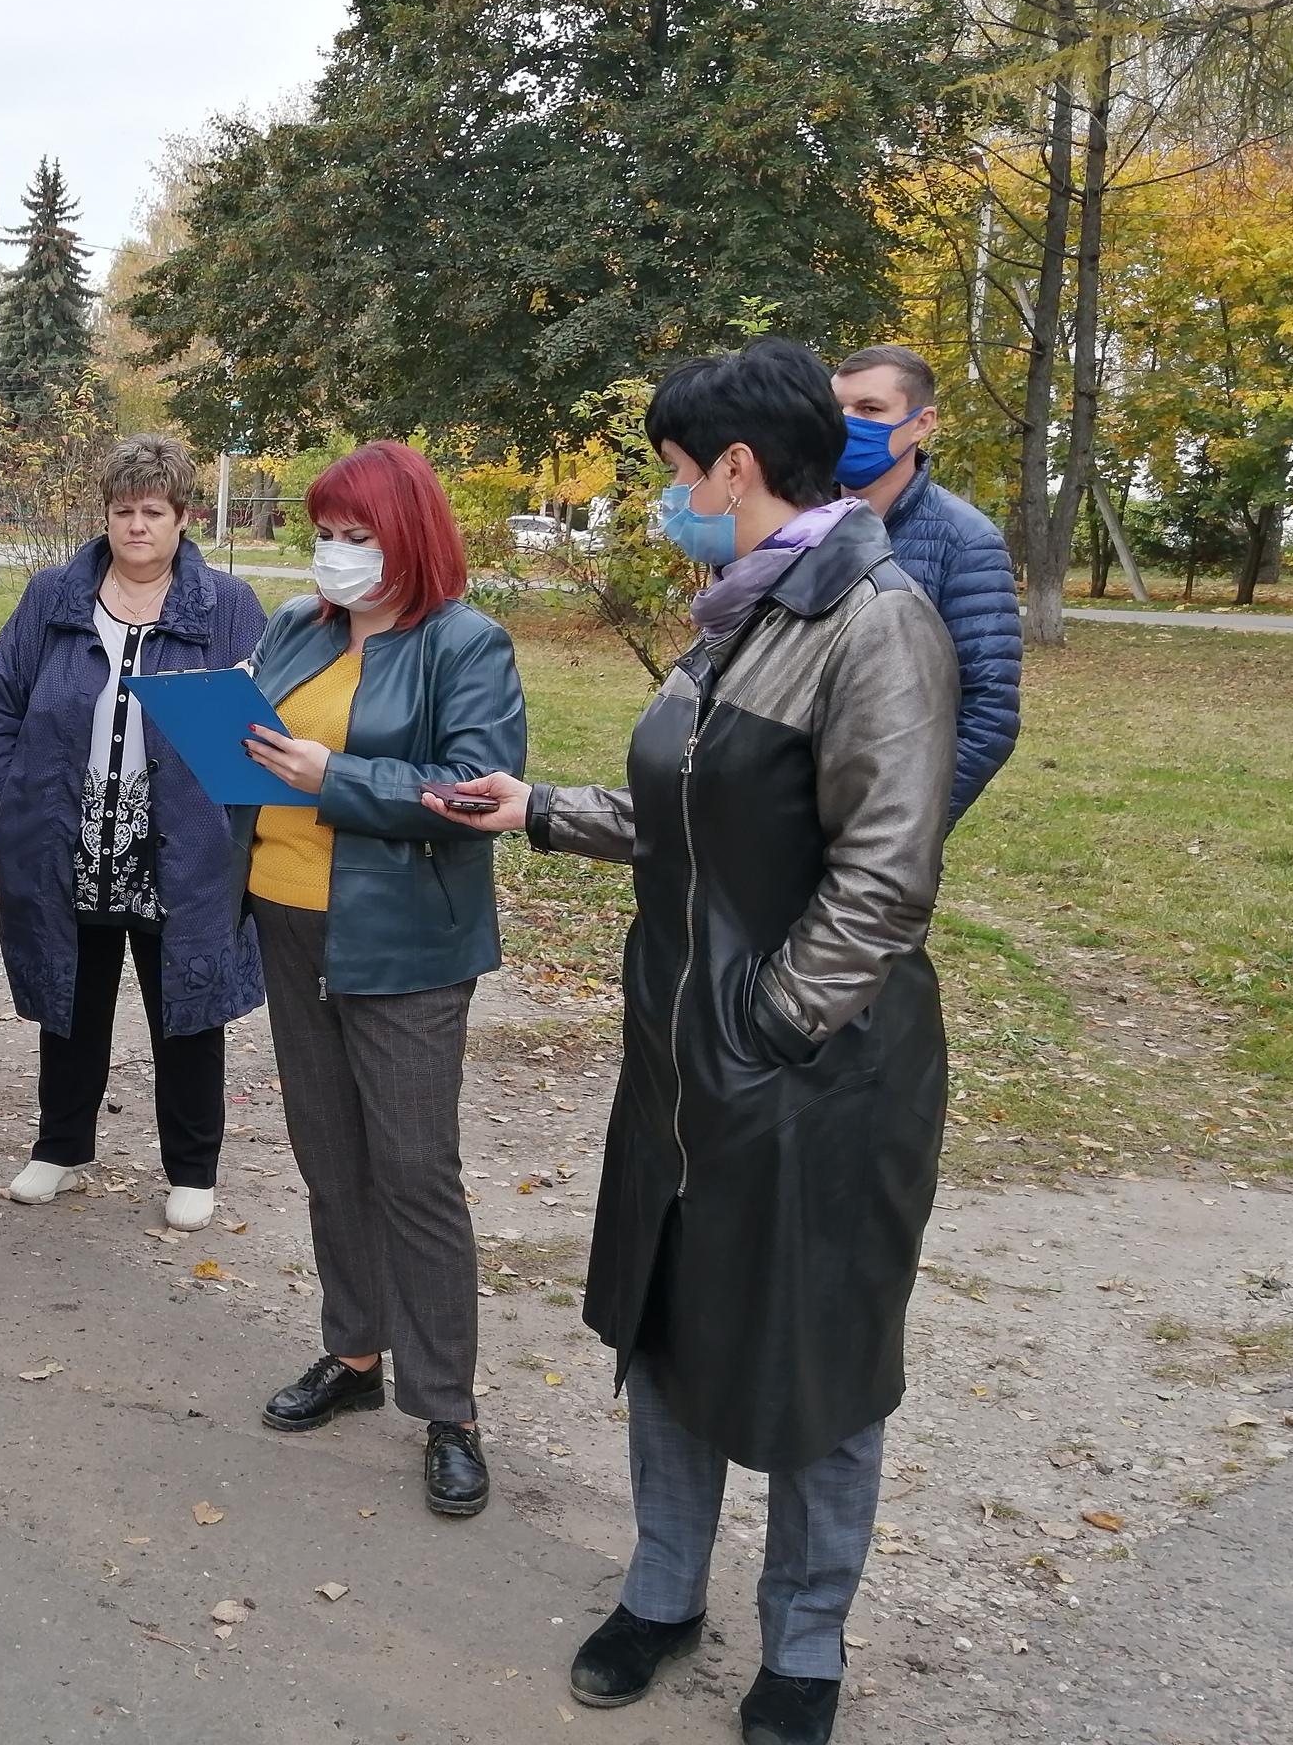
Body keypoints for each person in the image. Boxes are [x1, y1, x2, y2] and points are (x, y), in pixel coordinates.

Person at [429, 339, 957, 1745]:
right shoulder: (738, 613)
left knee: (814, 1363)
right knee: (665, 1332)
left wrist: (764, 1029)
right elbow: (689, 815)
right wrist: (536, 806)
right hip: (683, 1066)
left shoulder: (874, 621)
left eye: (671, 475)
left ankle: (807, 1647)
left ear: (736, 469)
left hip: (814, 1077)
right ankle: (666, 1594)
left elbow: (887, 881)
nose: (663, 502)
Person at [234, 441, 525, 1519]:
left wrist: (336, 776)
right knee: (328, 1158)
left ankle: (447, 1407)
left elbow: (478, 790)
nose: (336, 555)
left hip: (403, 940)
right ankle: (353, 1355)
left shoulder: (465, 643)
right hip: (287, 919)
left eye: (358, 537)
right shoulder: (294, 628)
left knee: (412, 1169)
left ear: (408, 538)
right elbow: (252, 746)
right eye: (324, 534)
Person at [0, 435, 266, 1233]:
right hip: (68, 834)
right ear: (104, 515)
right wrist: (10, 797)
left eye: (152, 512)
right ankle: (61, 1146)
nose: (136, 526)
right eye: (122, 511)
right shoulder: (52, 597)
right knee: (72, 998)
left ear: (182, 517)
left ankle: (193, 1166)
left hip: (180, 841)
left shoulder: (229, 607)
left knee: (188, 1006)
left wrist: (235, 828)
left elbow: (257, 732)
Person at [831, 344, 1019, 821]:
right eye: (837, 410)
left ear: (921, 422)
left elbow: (988, 711)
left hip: (878, 824)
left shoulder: (965, 540)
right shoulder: (797, 523)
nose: (847, 424)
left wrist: (905, 830)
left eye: (870, 409)